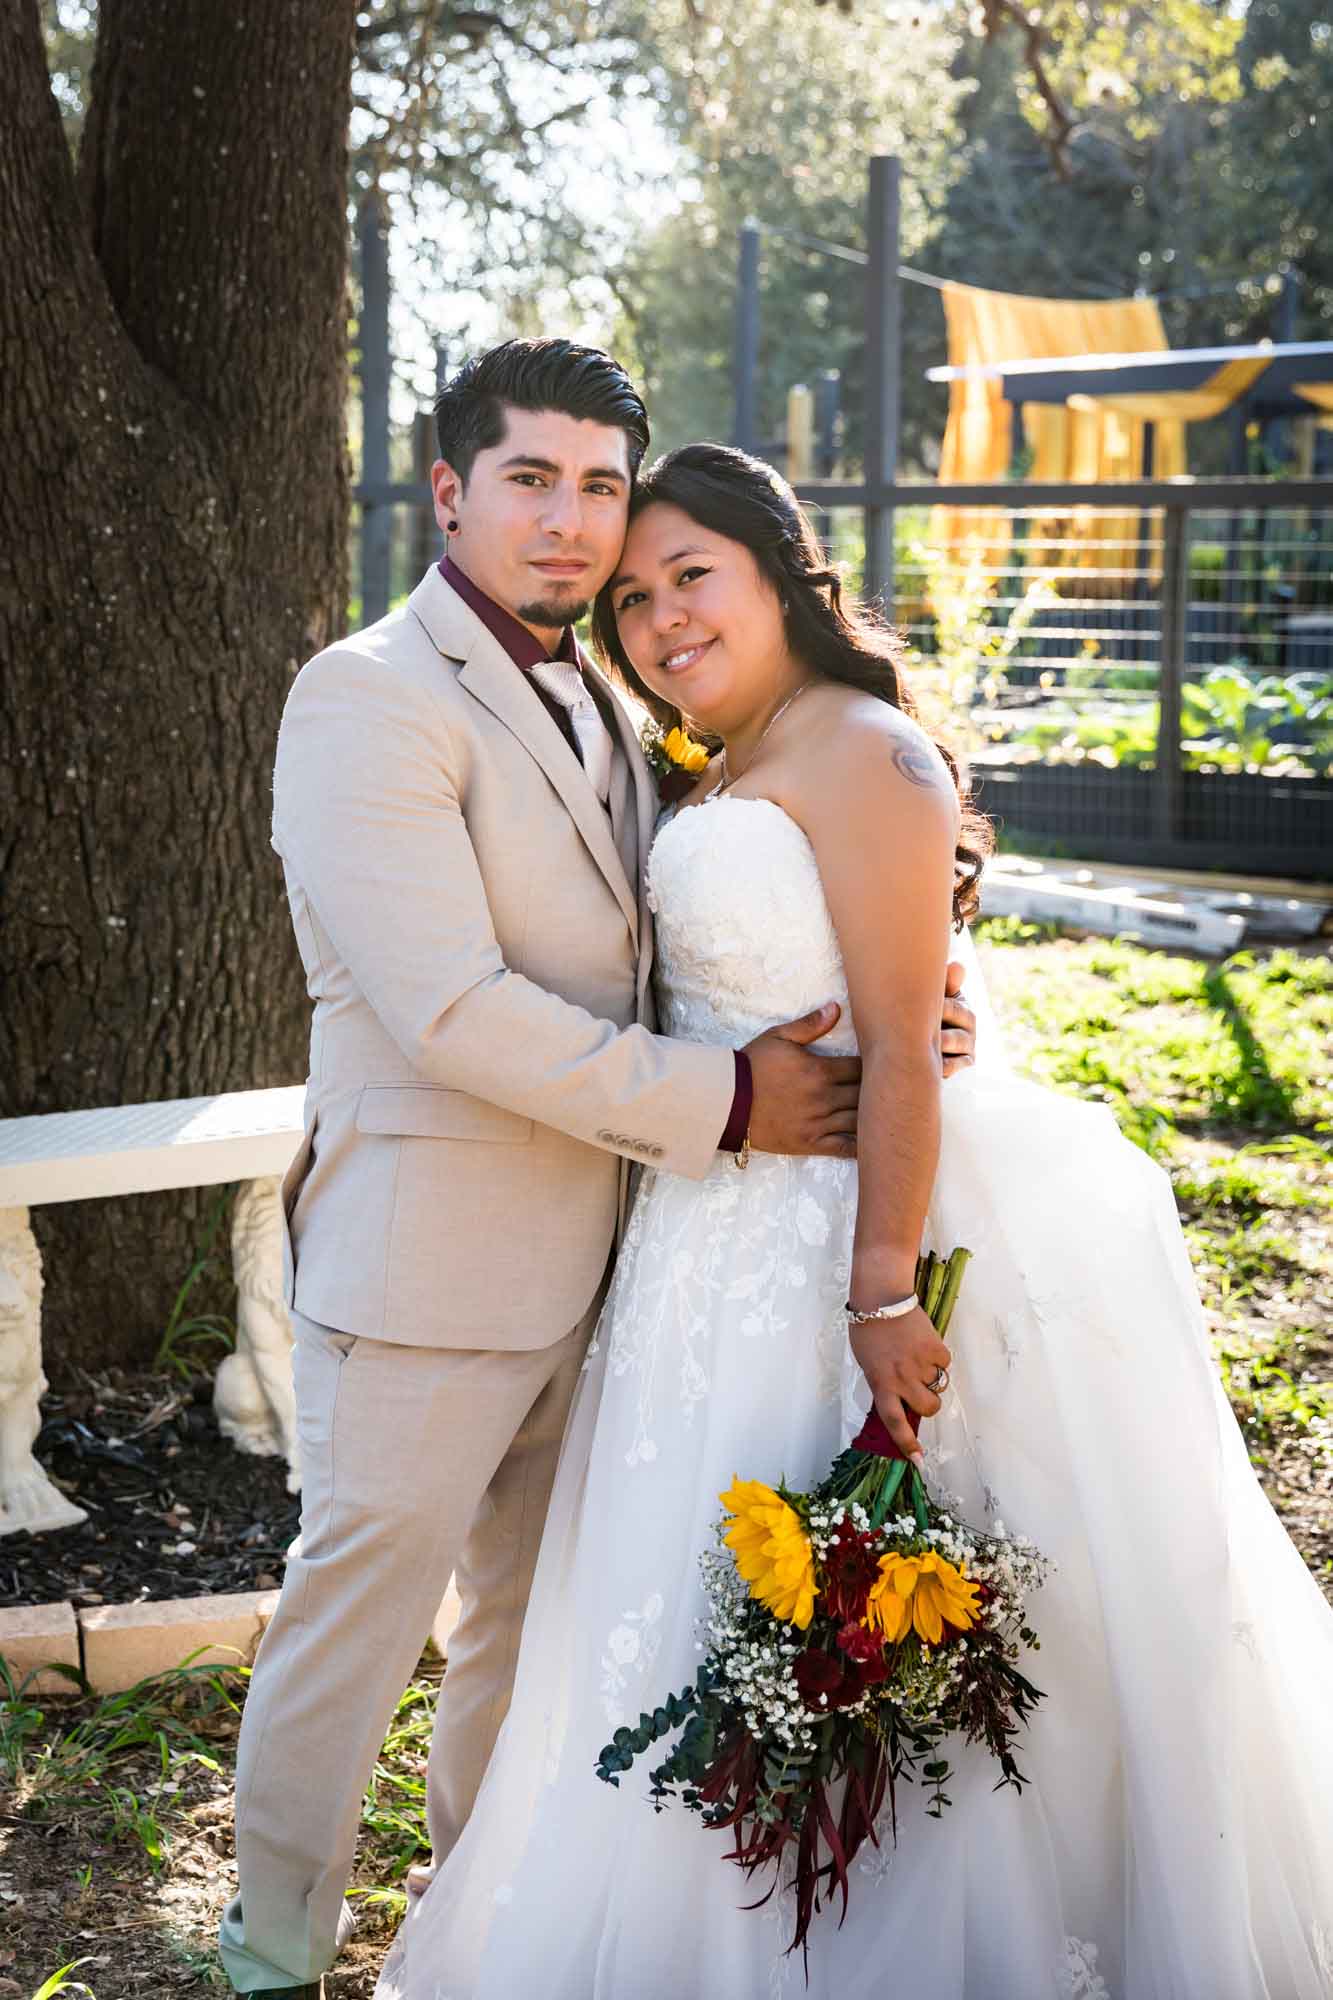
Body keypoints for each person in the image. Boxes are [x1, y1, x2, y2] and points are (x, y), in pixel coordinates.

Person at [375, 443, 1333, 2000]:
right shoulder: (716, 761)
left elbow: (902, 1038)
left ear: (782, 574)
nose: (661, 619)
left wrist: (881, 1292)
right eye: (631, 598)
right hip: (703, 1240)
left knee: (888, 1610)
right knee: (701, 1605)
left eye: (693, 576)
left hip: (841, 1240)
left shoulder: (866, 751)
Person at [219, 343, 978, 1997]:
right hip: (436, 1254)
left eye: (599, 487)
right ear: (449, 493)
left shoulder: (624, 701)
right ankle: (272, 1952)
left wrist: (894, 994)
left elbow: (686, 929)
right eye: (530, 480)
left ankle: (472, 1927)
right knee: (356, 1622)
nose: (571, 525)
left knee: (521, 1632)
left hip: (631, 1257)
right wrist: (727, 1097)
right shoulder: (366, 695)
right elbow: (446, 1007)